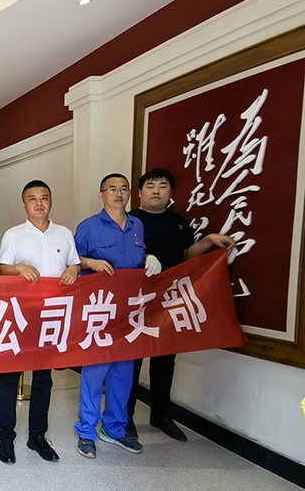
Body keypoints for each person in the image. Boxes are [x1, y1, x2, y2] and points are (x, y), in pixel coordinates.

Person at [126, 168, 235, 442]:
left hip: (168, 301)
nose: (156, 191)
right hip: (136, 301)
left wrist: (208, 241)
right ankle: (124, 417)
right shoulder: (129, 220)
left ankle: (161, 414)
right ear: (139, 192)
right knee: (131, 360)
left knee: (165, 359)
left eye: (163, 186)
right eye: (150, 186)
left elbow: (187, 256)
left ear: (170, 193)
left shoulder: (179, 222)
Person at [73, 173, 161, 459]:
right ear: (102, 195)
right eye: (112, 189)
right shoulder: (88, 227)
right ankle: (87, 431)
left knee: (123, 373)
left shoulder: (137, 225)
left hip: (129, 313)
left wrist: (148, 258)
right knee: (95, 371)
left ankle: (114, 428)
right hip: (100, 311)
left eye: (124, 189)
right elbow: (72, 261)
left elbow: (136, 259)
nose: (119, 194)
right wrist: (91, 262)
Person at [0, 180, 81, 463]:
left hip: (51, 317)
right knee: (10, 377)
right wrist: (18, 268)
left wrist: (74, 269)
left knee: (43, 379)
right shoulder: (13, 235)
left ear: (51, 201)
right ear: (24, 204)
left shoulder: (65, 234)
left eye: (44, 197)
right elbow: (2, 268)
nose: (39, 203)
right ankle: (6, 438)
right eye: (32, 198)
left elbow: (74, 262)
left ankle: (37, 436)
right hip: (20, 316)